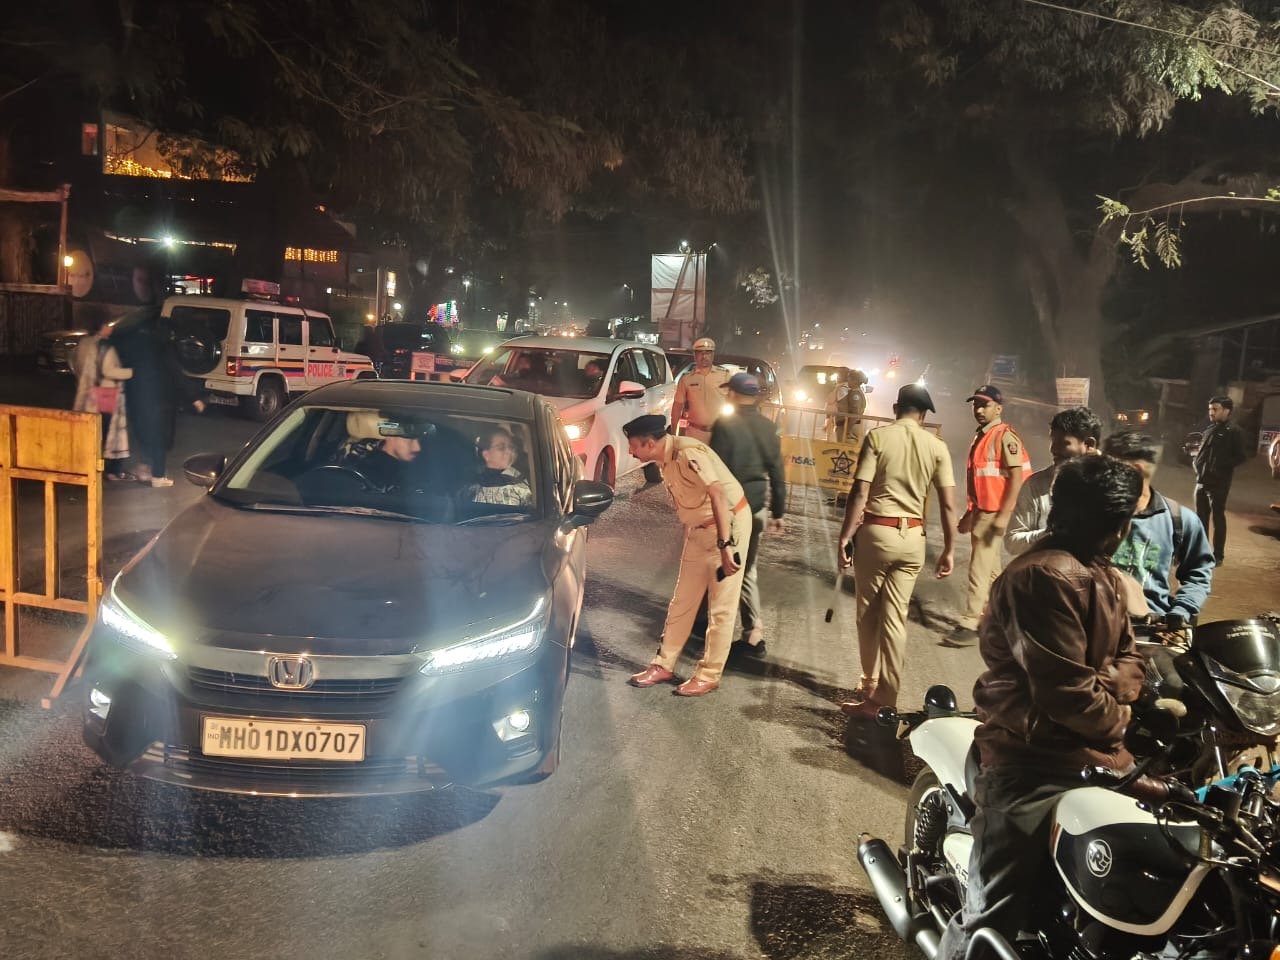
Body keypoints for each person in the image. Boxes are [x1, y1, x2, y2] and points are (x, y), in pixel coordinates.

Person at [935, 454, 1152, 960]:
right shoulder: (1043, 576)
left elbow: (1132, 661)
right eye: (1120, 522)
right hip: (1031, 759)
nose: (1122, 533)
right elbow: (1066, 693)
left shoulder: (1104, 575)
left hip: (1089, 753)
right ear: (1109, 524)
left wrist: (1109, 684)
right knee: (993, 911)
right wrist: (1120, 714)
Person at [836, 383, 957, 718]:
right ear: (923, 415)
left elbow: (860, 492)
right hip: (913, 537)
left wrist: (845, 537)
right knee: (895, 619)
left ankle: (869, 683)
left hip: (877, 533)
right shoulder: (937, 447)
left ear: (895, 408)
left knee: (868, 614)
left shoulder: (878, 438)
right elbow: (948, 505)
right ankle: (885, 697)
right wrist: (949, 548)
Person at [624, 414, 750, 697]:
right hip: (700, 529)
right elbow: (688, 501)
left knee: (721, 606)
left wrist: (726, 545)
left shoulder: (689, 453)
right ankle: (663, 664)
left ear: (650, 443)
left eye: (634, 446)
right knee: (682, 599)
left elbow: (718, 494)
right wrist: (689, 532)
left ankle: (709, 675)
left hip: (729, 527)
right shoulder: (665, 460)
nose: (631, 452)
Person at [944, 384, 1029, 647]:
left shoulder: (1004, 436)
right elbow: (980, 482)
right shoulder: (982, 436)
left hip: (994, 513)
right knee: (991, 572)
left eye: (985, 405)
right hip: (984, 511)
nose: (979, 410)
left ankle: (971, 622)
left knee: (979, 569)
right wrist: (971, 512)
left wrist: (1003, 516)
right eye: (976, 405)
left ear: (998, 408)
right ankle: (1001, 621)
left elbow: (1017, 478)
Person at [709, 373, 786, 655]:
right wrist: (778, 511)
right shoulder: (769, 427)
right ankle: (749, 630)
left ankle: (746, 633)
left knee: (721, 563)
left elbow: (714, 470)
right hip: (756, 508)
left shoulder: (725, 425)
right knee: (746, 569)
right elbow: (777, 471)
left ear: (732, 394)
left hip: (730, 509)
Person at [1103, 432, 1214, 629]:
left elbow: (1198, 572)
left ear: (1136, 470)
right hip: (1100, 625)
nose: (1102, 475)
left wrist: (1181, 611)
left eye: (1109, 469)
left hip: (1151, 630)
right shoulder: (1091, 513)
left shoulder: (1179, 518)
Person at [109, 266, 206, 486]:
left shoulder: (140, 345)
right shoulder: (165, 350)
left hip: (138, 397)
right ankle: (158, 475)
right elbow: (176, 374)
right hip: (160, 402)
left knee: (145, 434)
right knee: (159, 439)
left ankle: (145, 468)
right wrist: (194, 398)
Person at [1005, 406, 1103, 556]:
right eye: (1053, 441)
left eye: (1063, 443)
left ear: (1089, 445)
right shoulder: (1036, 485)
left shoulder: (1111, 485)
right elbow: (1012, 543)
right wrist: (1049, 535)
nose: (1053, 449)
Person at [71, 316, 134, 480]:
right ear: (101, 327)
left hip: (90, 392)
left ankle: (92, 465)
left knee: (95, 431)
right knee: (111, 433)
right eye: (108, 325)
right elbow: (108, 370)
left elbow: (77, 365)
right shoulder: (105, 346)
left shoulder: (83, 344)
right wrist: (131, 372)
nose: (111, 328)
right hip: (107, 391)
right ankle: (112, 470)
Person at [1193, 395, 1249, 566]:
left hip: (1219, 483)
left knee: (1218, 518)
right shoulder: (1210, 429)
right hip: (1201, 481)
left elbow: (1241, 456)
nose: (1211, 412)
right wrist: (1196, 461)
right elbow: (1203, 452)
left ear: (1227, 411)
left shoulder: (1234, 432)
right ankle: (1200, 553)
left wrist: (1220, 467)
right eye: (1210, 409)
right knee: (1200, 519)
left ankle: (1218, 555)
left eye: (1215, 409)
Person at [670, 337, 731, 442]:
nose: (704, 356)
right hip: (694, 433)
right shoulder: (687, 379)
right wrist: (673, 434)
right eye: (700, 353)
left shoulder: (725, 376)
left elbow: (734, 403)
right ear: (695, 355)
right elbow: (677, 407)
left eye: (708, 353)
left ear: (713, 355)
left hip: (719, 434)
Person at [464, 425, 534, 507]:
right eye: (501, 448)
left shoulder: (519, 480)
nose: (509, 451)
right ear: (486, 455)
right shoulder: (469, 485)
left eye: (511, 447)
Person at [825, 368, 868, 443]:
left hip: (850, 426)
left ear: (855, 381)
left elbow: (855, 414)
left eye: (849, 378)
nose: (848, 380)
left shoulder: (855, 394)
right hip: (851, 425)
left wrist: (847, 430)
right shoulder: (854, 392)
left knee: (845, 448)